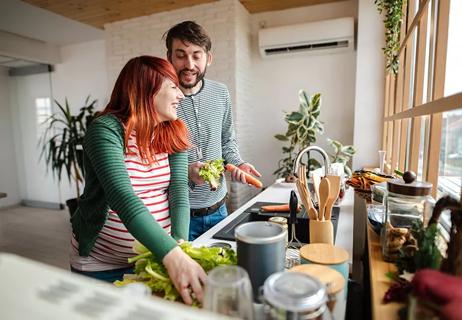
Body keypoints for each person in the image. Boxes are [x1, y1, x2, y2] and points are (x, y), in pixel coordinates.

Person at [69, 55, 206, 305]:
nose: (181, 95)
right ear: (148, 89)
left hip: (156, 255)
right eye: (173, 86)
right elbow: (123, 197)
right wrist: (172, 255)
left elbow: (178, 192)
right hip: (101, 265)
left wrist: (179, 248)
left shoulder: (173, 129)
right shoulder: (105, 130)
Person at [164, 21, 262, 241]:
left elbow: (227, 140)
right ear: (169, 57)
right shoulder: (161, 98)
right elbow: (155, 158)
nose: (189, 64)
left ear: (208, 58)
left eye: (196, 55)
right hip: (177, 216)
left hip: (219, 210)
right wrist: (187, 172)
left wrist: (238, 164)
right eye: (181, 55)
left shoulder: (220, 93)